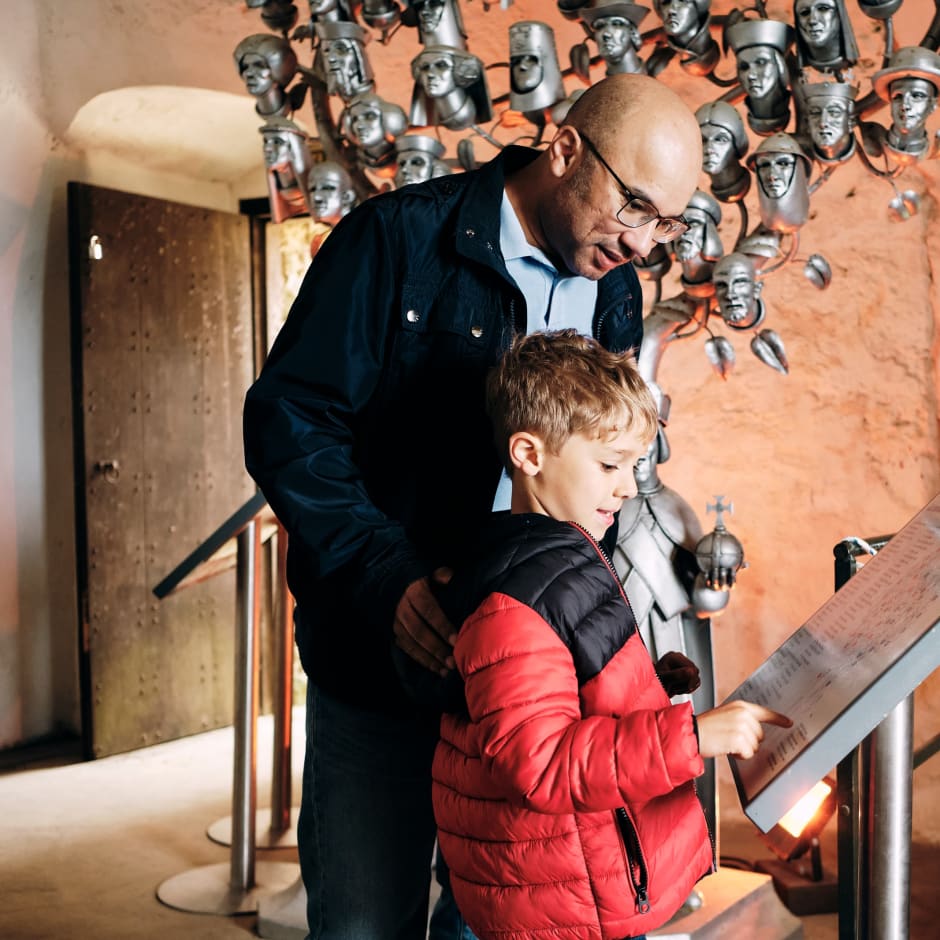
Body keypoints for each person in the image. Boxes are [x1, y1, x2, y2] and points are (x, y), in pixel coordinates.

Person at [243, 72, 703, 939]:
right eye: (634, 206)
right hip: (382, 666)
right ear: (566, 150)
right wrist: (390, 580)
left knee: (493, 925)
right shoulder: (393, 240)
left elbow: (588, 477)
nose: (643, 243)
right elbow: (288, 421)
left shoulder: (614, 289)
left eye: (666, 223)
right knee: (362, 925)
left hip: (525, 699)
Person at [432, 330, 792, 939]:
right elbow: (543, 764)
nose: (627, 487)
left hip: (579, 884)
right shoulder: (513, 604)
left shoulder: (560, 551)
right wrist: (692, 735)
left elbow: (567, 686)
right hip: (557, 905)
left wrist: (648, 684)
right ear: (529, 453)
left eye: (632, 465)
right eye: (608, 464)